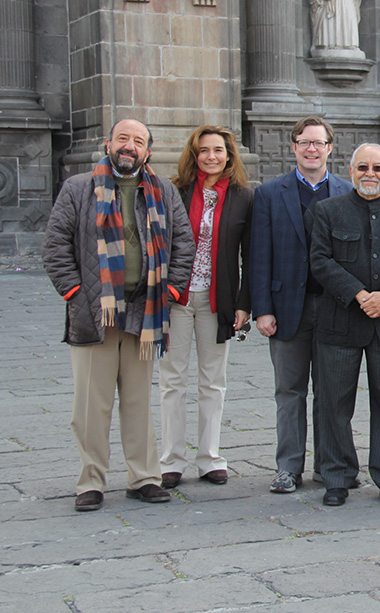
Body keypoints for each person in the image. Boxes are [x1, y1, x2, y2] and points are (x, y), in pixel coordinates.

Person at [42, 118, 194, 511]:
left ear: (148, 150)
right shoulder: (78, 188)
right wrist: (76, 292)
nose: (130, 146)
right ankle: (90, 481)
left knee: (139, 400)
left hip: (145, 312)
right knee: (92, 405)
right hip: (95, 314)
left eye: (138, 141)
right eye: (123, 138)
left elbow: (182, 242)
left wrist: (174, 289)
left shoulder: (163, 191)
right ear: (108, 143)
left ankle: (144, 477)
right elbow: (56, 244)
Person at [309, 144, 380, 507]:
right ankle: (338, 476)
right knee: (334, 403)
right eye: (362, 167)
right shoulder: (327, 211)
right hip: (339, 323)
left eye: (377, 167)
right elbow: (321, 261)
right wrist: (360, 294)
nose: (369, 173)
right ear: (351, 170)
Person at [250, 115, 352, 494]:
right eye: (304, 142)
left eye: (319, 143)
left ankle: (330, 467)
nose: (312, 149)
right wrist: (262, 309)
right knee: (289, 391)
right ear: (293, 147)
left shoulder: (346, 191)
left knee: (331, 392)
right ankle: (288, 468)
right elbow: (258, 255)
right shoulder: (269, 193)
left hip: (333, 309)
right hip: (286, 307)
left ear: (329, 148)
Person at [158, 125, 254, 490]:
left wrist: (245, 304)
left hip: (218, 300)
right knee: (172, 381)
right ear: (193, 154)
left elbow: (251, 254)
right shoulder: (175, 191)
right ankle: (171, 461)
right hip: (177, 299)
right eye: (204, 151)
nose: (211, 156)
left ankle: (210, 457)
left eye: (218, 150)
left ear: (229, 155)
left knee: (213, 382)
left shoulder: (244, 196)